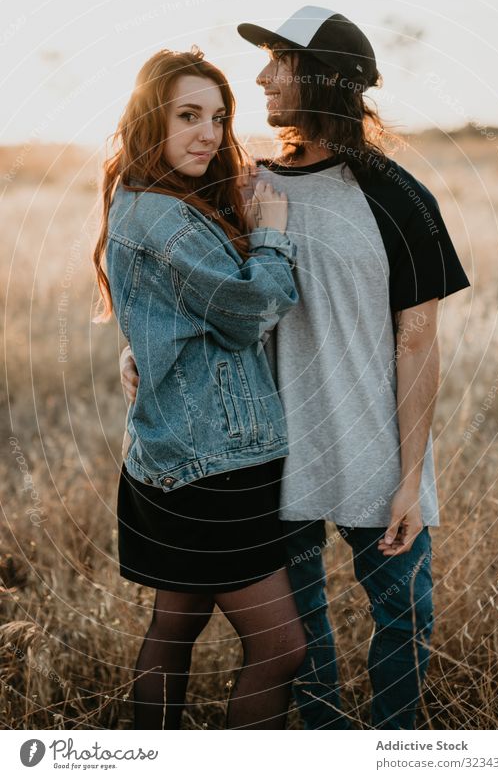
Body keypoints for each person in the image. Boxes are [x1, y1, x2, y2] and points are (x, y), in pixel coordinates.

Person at [121, 7, 470, 729]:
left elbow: (419, 340)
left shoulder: (400, 198)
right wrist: (142, 348)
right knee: (303, 645)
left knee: (405, 615)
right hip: (276, 459)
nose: (261, 77)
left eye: (277, 60)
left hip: (379, 454)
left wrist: (410, 479)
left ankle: (393, 749)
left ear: (320, 76)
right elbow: (184, 286)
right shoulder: (243, 188)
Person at [93, 46, 307, 730]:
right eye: (188, 115)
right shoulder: (161, 217)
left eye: (217, 117)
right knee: (281, 647)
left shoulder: (145, 198)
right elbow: (247, 315)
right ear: (151, 118)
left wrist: (137, 351)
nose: (209, 133)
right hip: (214, 469)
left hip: (167, 458)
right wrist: (271, 238)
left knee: (176, 624)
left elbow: (170, 313)